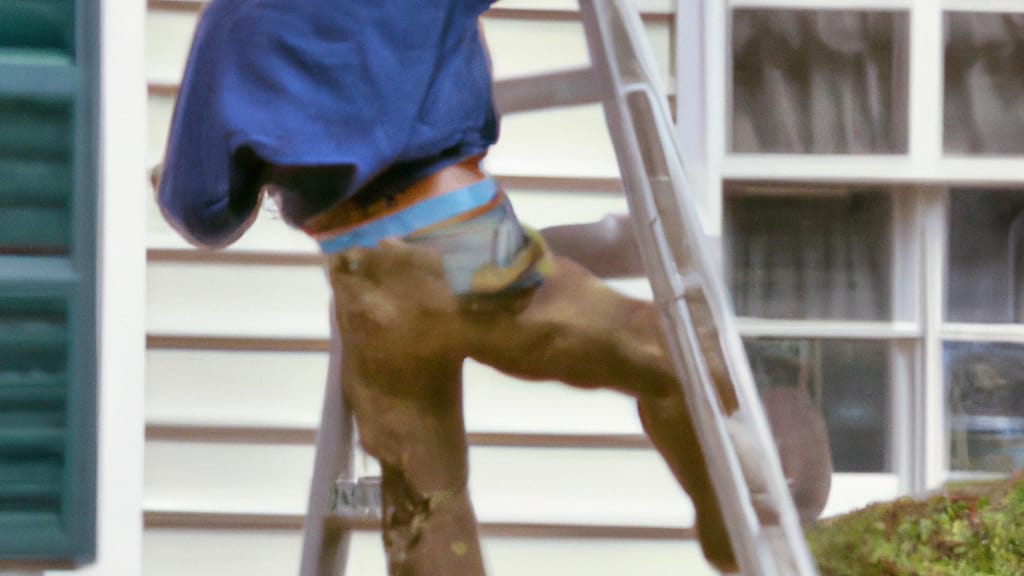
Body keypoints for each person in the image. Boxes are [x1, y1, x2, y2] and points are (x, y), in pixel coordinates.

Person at [158, 1, 830, 573]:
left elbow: (204, 210)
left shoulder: (231, 18)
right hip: (459, 240)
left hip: (363, 285)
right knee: (665, 351)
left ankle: (749, 531)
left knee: (427, 518)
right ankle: (747, 545)